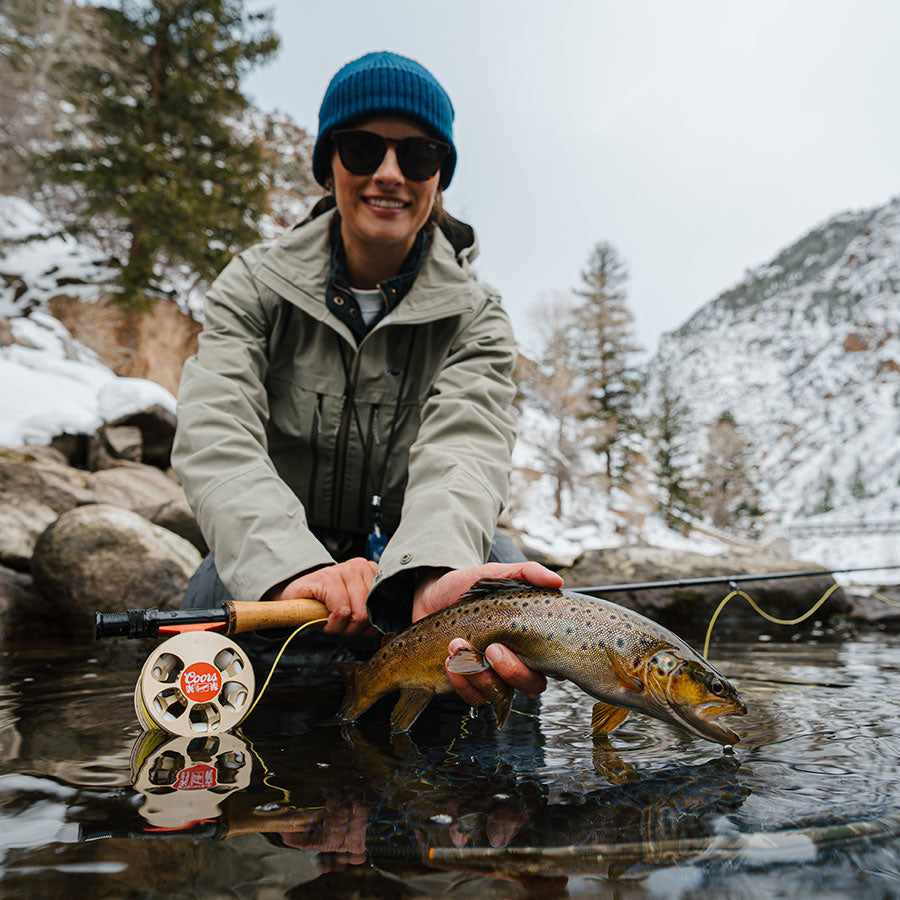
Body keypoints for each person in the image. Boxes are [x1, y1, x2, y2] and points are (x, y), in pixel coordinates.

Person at [171, 50, 561, 709]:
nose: (389, 175)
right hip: (285, 546)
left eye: (417, 157)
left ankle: (501, 802)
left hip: (425, 553)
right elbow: (216, 433)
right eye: (361, 148)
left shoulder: (478, 316)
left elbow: (465, 452)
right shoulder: (252, 286)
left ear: (439, 175)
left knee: (506, 599)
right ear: (329, 164)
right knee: (206, 616)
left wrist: (430, 575)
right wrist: (293, 568)